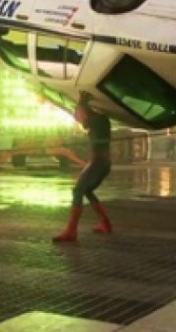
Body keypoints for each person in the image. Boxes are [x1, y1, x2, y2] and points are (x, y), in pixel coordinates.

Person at [53, 91, 113, 242]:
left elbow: (82, 116)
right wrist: (82, 103)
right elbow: (82, 116)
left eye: (78, 113)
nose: (77, 118)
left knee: (78, 190)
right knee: (87, 190)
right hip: (102, 163)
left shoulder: (96, 121)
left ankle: (71, 231)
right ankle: (105, 224)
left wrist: (82, 100)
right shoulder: (101, 120)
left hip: (98, 163)